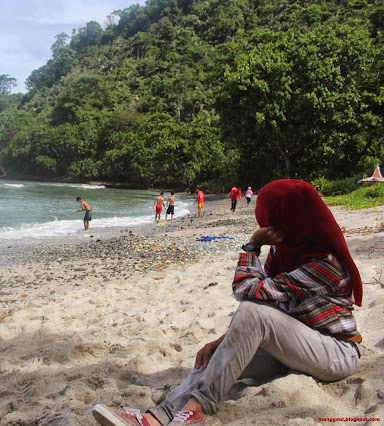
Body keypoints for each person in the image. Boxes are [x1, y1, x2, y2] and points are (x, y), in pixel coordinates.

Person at [92, 179, 362, 426]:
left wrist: (252, 246)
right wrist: (223, 341)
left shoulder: (324, 264)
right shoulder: (285, 251)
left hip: (333, 352)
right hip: (292, 346)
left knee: (250, 311)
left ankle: (197, 409)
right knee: (213, 360)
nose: (263, 220)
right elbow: (266, 304)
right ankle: (155, 419)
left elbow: (248, 292)